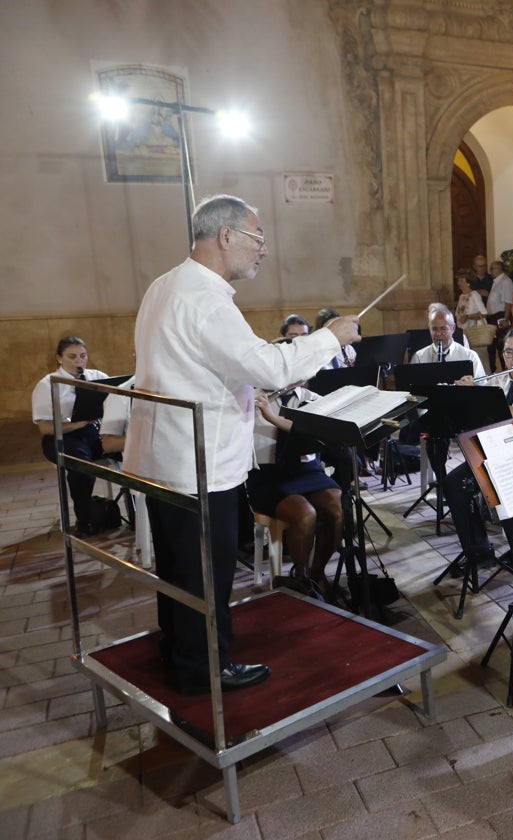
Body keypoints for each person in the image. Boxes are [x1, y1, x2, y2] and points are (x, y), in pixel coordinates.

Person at [124, 194, 360, 696]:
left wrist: (247, 385)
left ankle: (179, 650)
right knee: (205, 573)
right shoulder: (205, 299)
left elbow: (200, 368)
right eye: (258, 238)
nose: (264, 250)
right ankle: (205, 667)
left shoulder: (165, 285)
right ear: (225, 236)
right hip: (198, 463)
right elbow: (270, 366)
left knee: (179, 568)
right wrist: (330, 338)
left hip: (165, 456)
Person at [442, 328, 513, 565]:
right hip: (497, 452)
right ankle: (479, 551)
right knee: (452, 484)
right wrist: (464, 396)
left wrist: (479, 395)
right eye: (509, 353)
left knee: (496, 476)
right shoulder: (499, 380)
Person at [247, 372, 344, 603]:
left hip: (307, 470)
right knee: (305, 514)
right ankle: (300, 579)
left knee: (338, 508)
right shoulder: (251, 398)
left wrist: (273, 418)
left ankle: (317, 572)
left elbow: (319, 430)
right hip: (268, 475)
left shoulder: (311, 398)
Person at [31, 336, 110, 534]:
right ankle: (84, 519)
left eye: (83, 356)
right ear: (59, 358)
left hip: (93, 432)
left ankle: (137, 513)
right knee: (81, 465)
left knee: (129, 449)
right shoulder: (47, 384)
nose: (79, 361)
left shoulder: (97, 376)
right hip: (62, 436)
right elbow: (45, 428)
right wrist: (79, 423)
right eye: (72, 357)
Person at [410, 304, 486, 378]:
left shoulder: (470, 356)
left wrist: (471, 387)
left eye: (443, 328)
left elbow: (483, 388)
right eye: (434, 329)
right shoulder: (419, 357)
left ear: (453, 328)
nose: (438, 333)